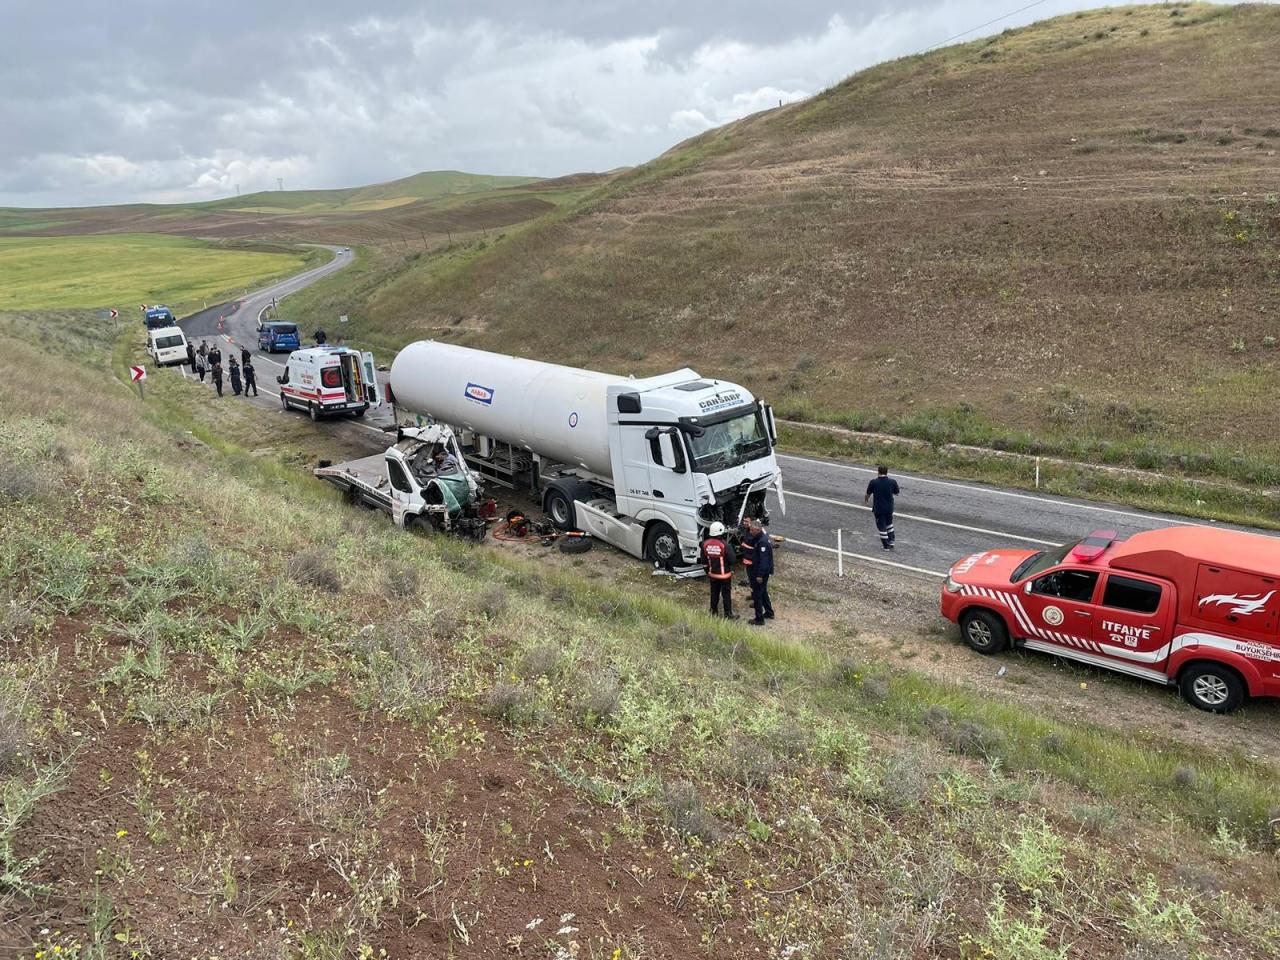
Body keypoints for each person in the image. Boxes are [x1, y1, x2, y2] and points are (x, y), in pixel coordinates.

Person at [699, 522, 737, 619]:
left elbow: (703, 561)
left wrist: (707, 571)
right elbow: (732, 560)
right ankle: (728, 614)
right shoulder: (725, 545)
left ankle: (713, 612)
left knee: (714, 594)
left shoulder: (704, 544)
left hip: (713, 575)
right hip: (725, 576)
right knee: (726, 595)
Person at [863, 464, 901, 550]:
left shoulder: (874, 482)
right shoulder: (892, 482)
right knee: (889, 524)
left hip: (879, 508)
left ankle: (886, 546)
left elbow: (868, 494)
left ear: (878, 471)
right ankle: (891, 542)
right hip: (889, 508)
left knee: (881, 526)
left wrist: (866, 500)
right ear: (887, 472)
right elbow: (897, 493)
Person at [746, 519, 774, 626]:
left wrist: (760, 575)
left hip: (760, 573)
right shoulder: (759, 538)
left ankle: (759, 619)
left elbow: (764, 561)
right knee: (763, 592)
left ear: (757, 530)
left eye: (752, 530)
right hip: (761, 571)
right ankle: (769, 612)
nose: (751, 532)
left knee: (758, 595)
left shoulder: (762, 542)